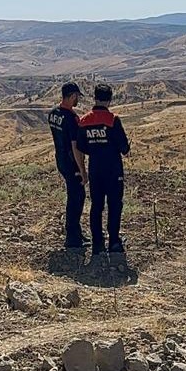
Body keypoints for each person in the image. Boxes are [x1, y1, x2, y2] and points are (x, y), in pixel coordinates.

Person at [76, 84, 131, 256]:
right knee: (115, 206)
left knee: (96, 206)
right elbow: (124, 148)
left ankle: (97, 243)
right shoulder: (113, 119)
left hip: (95, 170)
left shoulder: (84, 120)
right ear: (109, 99)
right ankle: (114, 241)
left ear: (95, 98)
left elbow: (81, 146)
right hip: (113, 171)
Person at [48, 82, 88, 248]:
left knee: (76, 195)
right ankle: (72, 238)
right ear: (72, 96)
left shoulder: (53, 114)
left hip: (61, 160)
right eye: (77, 96)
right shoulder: (72, 119)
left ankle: (76, 233)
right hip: (71, 164)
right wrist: (83, 171)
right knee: (76, 198)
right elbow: (75, 146)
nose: (78, 99)